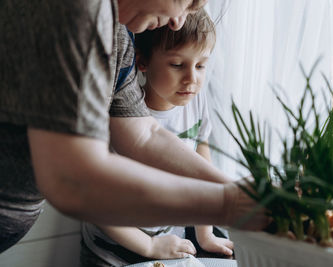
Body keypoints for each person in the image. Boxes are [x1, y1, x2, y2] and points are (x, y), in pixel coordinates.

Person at [0, 0, 269, 254]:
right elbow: (72, 179)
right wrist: (228, 205)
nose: (177, 22)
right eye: (186, 3)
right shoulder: (80, 9)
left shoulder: (118, 32)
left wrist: (242, 193)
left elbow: (144, 135)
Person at [81, 9, 234, 266]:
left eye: (201, 65)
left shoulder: (196, 104)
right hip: (112, 248)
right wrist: (149, 245)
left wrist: (205, 234)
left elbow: (201, 169)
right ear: (141, 61)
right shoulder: (118, 118)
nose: (192, 79)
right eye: (177, 64)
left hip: (168, 241)